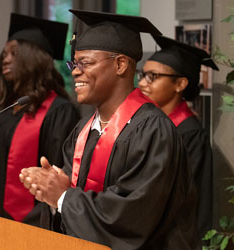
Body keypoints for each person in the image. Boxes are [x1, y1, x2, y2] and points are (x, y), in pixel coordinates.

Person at [19, 10, 198, 249]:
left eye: (86, 63)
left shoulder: (153, 131)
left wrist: (62, 197)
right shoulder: (83, 130)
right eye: (75, 62)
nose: (74, 71)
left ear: (121, 65)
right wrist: (50, 194)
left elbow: (132, 216)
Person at [0, 13, 80, 225]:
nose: (6, 59)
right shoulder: (1, 112)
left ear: (35, 57)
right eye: (4, 53)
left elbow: (57, 183)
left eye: (14, 52)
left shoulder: (59, 112)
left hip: (31, 233)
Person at [137, 35, 218, 242]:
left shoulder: (189, 134)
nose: (142, 83)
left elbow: (194, 204)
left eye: (152, 76)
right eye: (143, 75)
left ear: (180, 84)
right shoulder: (147, 126)